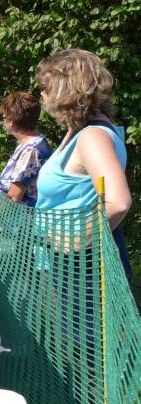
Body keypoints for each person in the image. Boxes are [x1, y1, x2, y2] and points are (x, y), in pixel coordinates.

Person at [35, 49, 132, 280]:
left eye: (45, 86)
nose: (41, 93)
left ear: (65, 89)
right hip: (73, 265)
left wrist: (74, 242)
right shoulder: (82, 130)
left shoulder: (92, 136)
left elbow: (118, 202)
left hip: (83, 269)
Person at [0, 92, 52, 207]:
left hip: (17, 217)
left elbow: (13, 197)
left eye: (4, 117)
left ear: (11, 121)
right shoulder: (31, 143)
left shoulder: (31, 151)